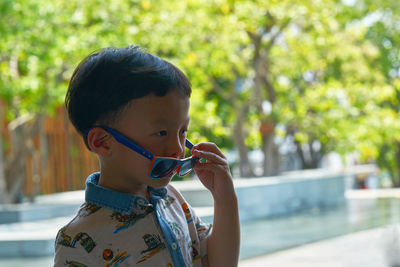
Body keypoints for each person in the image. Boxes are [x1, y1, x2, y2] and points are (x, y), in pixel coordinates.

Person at [54, 45, 240, 267]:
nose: (178, 149)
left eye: (182, 131)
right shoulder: (79, 241)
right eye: (161, 133)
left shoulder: (173, 201)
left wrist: (225, 197)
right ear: (102, 142)